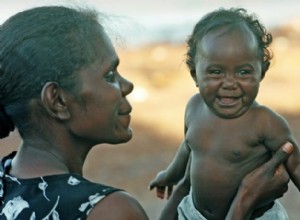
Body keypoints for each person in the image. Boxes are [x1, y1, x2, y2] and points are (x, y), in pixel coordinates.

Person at [0, 5, 295, 220]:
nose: (126, 85)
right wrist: (246, 198)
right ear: (58, 101)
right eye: (109, 75)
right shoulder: (111, 212)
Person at [149, 7, 300, 220]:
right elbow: (188, 148)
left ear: (261, 73)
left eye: (243, 72)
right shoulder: (194, 107)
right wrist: (169, 175)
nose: (229, 83)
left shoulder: (266, 122)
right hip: (194, 213)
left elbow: (296, 166)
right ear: (195, 74)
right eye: (216, 72)